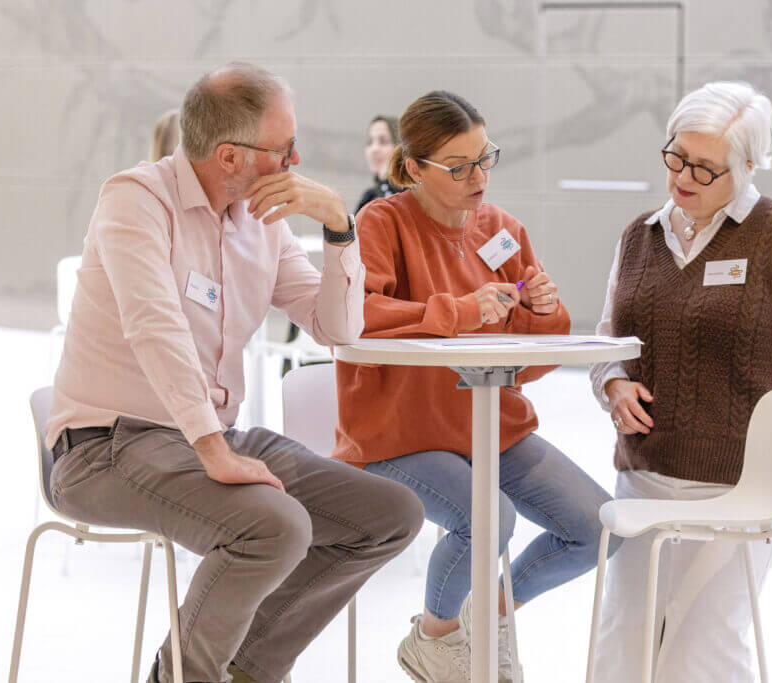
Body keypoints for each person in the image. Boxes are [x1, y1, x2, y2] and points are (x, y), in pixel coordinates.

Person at [45, 63, 424, 683]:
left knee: (390, 516)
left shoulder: (260, 223)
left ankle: (244, 669)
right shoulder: (136, 200)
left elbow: (339, 331)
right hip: (106, 447)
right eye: (285, 149)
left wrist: (337, 226)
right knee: (275, 528)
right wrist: (213, 448)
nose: (295, 161)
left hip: (204, 439)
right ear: (229, 156)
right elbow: (154, 327)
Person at [334, 90, 621, 683]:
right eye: (459, 167)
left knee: (596, 526)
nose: (479, 177)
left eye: (485, 158)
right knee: (490, 519)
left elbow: (535, 357)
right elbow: (355, 316)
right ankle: (436, 639)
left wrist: (540, 311)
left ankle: (485, 618)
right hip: (398, 435)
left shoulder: (503, 230)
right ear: (413, 168)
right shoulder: (380, 223)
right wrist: (457, 311)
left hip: (492, 427)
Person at [589, 81, 772, 683]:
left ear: (747, 165)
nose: (683, 177)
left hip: (741, 485)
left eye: (705, 168)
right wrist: (613, 383)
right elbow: (609, 343)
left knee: (699, 654)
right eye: (676, 157)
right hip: (645, 476)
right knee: (622, 653)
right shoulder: (639, 236)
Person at [356, 114, 404, 213]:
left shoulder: (416, 193)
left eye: (384, 141)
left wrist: (387, 181)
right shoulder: (369, 196)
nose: (374, 149)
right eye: (370, 142)